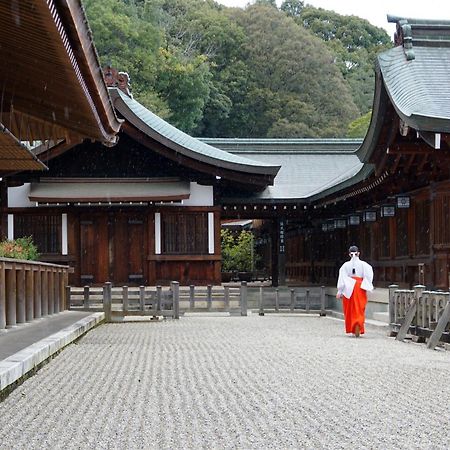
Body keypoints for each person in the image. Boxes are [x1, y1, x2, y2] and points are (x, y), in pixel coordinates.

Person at [336, 245, 373, 337]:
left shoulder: (345, 265)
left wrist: (340, 290)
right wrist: (366, 285)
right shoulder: (364, 265)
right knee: (359, 308)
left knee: (349, 309)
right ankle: (358, 325)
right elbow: (369, 275)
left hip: (348, 287)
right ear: (358, 253)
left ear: (349, 254)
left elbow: (342, 278)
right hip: (360, 287)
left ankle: (352, 327)